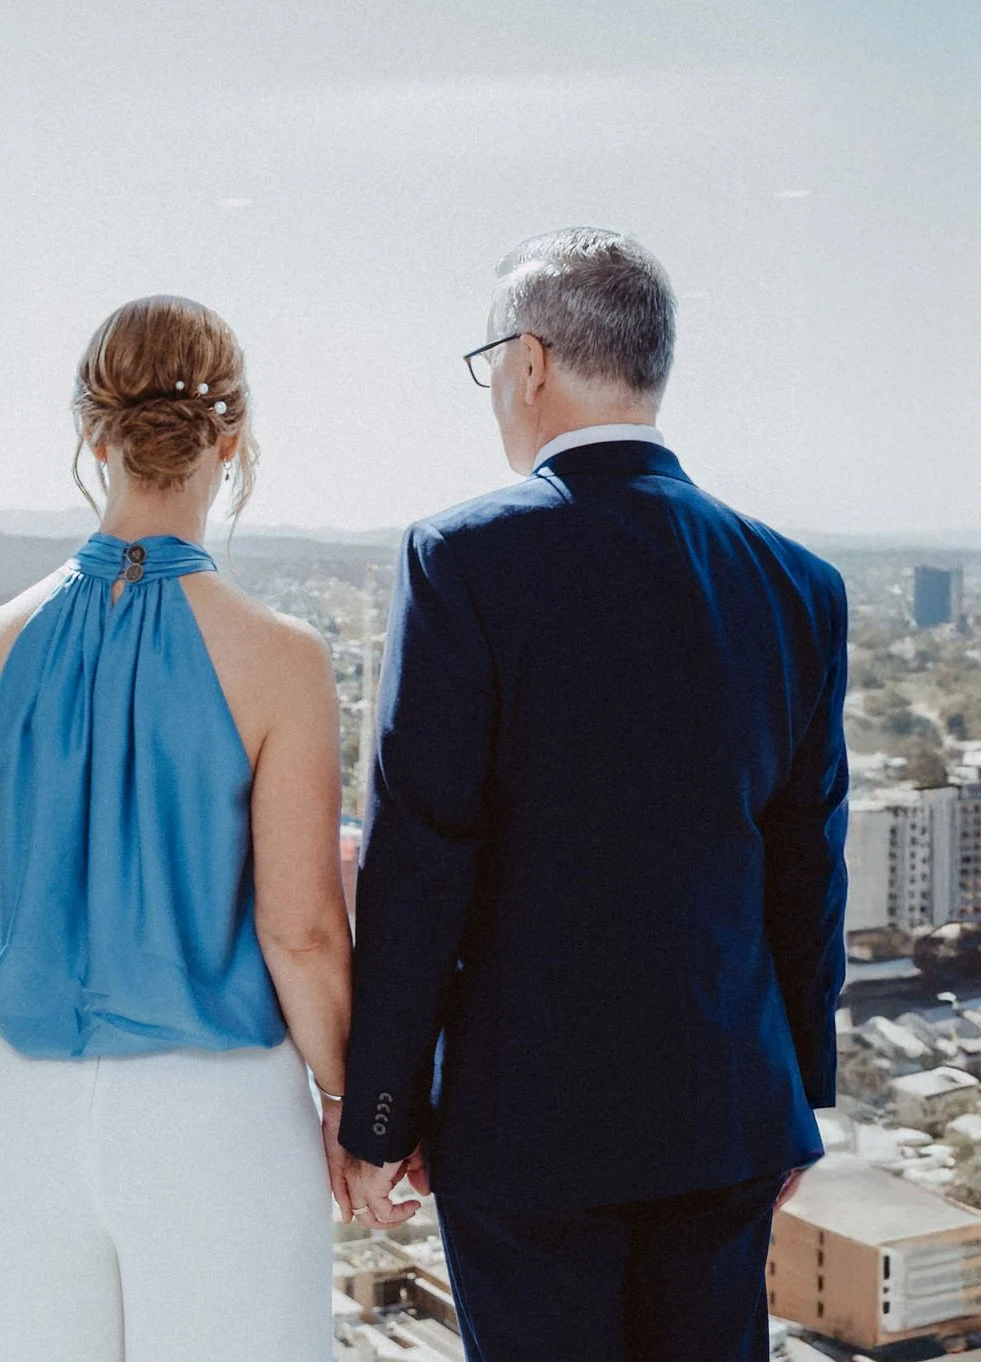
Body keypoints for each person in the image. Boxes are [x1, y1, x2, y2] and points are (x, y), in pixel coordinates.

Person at [337, 228, 850, 1362]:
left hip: (526, 1125)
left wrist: (379, 1114)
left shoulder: (460, 558)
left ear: (527, 362)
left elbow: (422, 855)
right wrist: (796, 1095)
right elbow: (805, 863)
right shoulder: (797, 586)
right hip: (725, 1112)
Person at [0, 295, 354, 1361]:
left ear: (92, 432)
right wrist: (352, 1102)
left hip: (10, 1104)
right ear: (232, 438)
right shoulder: (281, 659)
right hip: (218, 1119)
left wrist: (13, 1067)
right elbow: (297, 933)